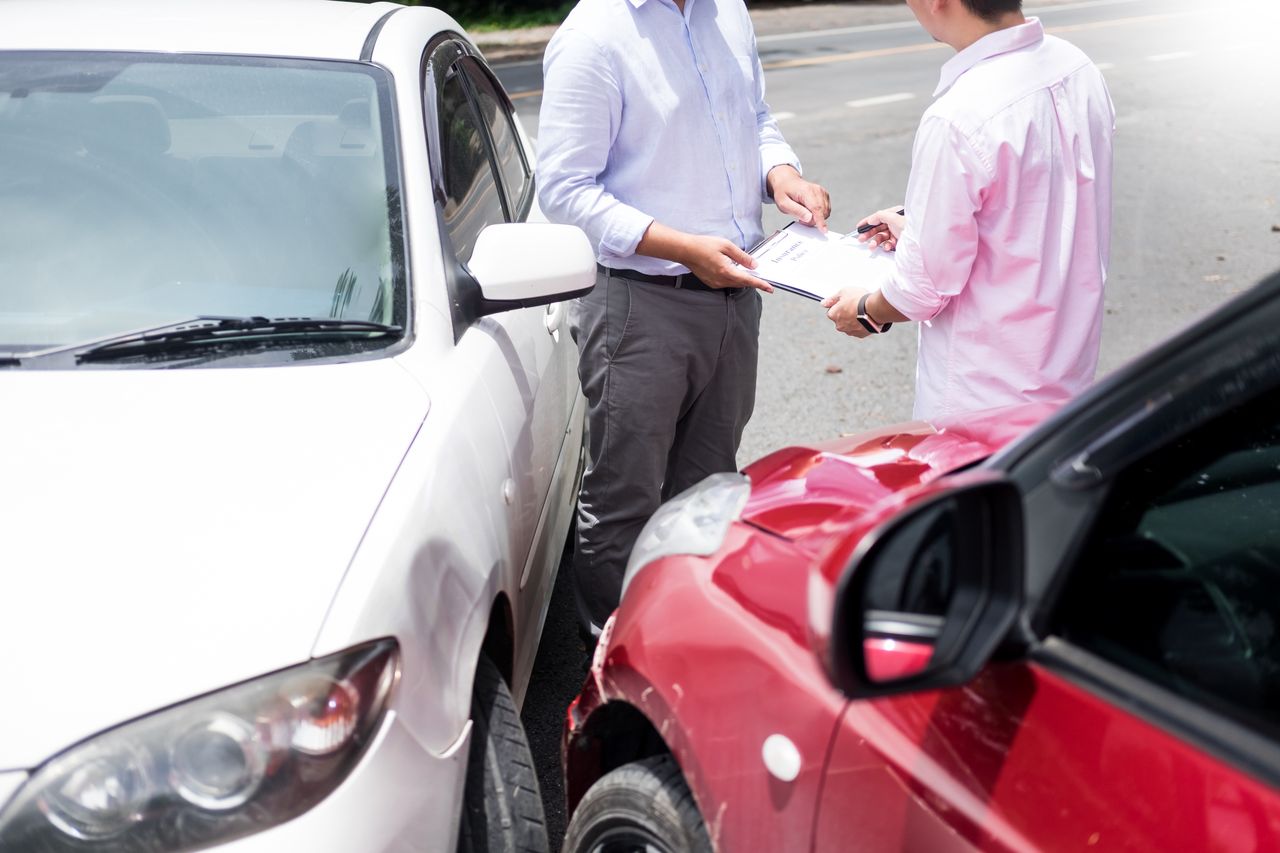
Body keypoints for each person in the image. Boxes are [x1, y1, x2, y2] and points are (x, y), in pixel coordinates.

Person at [537, 0, 831, 642]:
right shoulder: (593, 37)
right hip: (640, 304)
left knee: (711, 484)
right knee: (626, 496)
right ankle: (620, 656)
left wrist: (781, 173)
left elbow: (753, 118)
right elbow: (564, 190)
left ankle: (693, 637)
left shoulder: (725, 10)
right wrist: (683, 247)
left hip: (735, 291)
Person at [823, 0, 1115, 421]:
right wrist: (923, 224)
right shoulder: (1077, 67)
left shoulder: (959, 115)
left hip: (984, 395)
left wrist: (865, 311)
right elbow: (1036, 205)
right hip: (1068, 375)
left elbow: (923, 287)